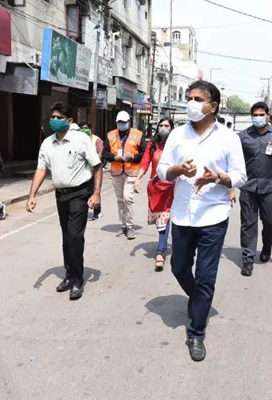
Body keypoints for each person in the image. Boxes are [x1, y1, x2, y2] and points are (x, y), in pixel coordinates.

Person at [157, 80, 247, 362]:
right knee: (179, 266)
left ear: (213, 106)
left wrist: (218, 177)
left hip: (214, 215)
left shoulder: (229, 138)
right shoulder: (177, 135)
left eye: (198, 99)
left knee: (207, 276)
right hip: (183, 214)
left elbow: (241, 176)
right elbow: (162, 171)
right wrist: (176, 169)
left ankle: (196, 332)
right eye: (189, 98)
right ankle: (199, 302)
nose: (191, 103)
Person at [26, 102, 103, 299]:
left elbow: (97, 166)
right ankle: (69, 275)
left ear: (69, 121)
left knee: (75, 236)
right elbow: (41, 169)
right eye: (53, 117)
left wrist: (96, 193)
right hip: (61, 195)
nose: (54, 120)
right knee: (67, 237)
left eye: (59, 118)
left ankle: (78, 280)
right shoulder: (47, 143)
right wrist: (32, 195)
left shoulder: (81, 140)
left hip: (80, 193)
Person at [236, 102, 272, 277]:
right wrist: (230, 187)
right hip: (248, 187)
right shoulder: (243, 136)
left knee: (270, 222)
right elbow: (234, 162)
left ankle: (267, 245)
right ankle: (248, 259)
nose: (258, 118)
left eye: (261, 114)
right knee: (248, 224)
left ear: (268, 115)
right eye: (255, 115)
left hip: (270, 187)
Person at [133, 117, 176, 271]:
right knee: (161, 220)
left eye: (167, 125)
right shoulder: (152, 145)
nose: (163, 128)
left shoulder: (176, 145)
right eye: (161, 125)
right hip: (156, 188)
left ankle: (160, 252)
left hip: (174, 188)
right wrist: (138, 179)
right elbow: (145, 163)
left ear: (172, 128)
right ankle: (164, 247)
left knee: (167, 218)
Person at [103, 111, 146, 240]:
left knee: (127, 198)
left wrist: (133, 157)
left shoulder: (138, 135)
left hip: (131, 172)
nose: (121, 124)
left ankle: (131, 226)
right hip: (117, 172)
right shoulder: (111, 135)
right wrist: (114, 157)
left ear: (128, 122)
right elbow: (104, 153)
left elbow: (144, 153)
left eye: (124, 122)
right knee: (120, 200)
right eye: (119, 122)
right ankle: (123, 226)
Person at [80, 122, 104, 219]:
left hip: (94, 170)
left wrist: (93, 162)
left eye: (85, 128)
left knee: (95, 191)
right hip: (82, 171)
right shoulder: (78, 139)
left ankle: (97, 211)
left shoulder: (96, 139)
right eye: (81, 128)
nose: (83, 129)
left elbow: (100, 152)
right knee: (83, 191)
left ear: (90, 129)